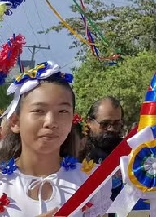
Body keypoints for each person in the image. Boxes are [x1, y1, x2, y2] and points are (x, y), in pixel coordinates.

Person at [0, 61, 111, 216]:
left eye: (62, 111)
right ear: (15, 122)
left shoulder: (91, 181)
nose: (51, 122)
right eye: (39, 110)